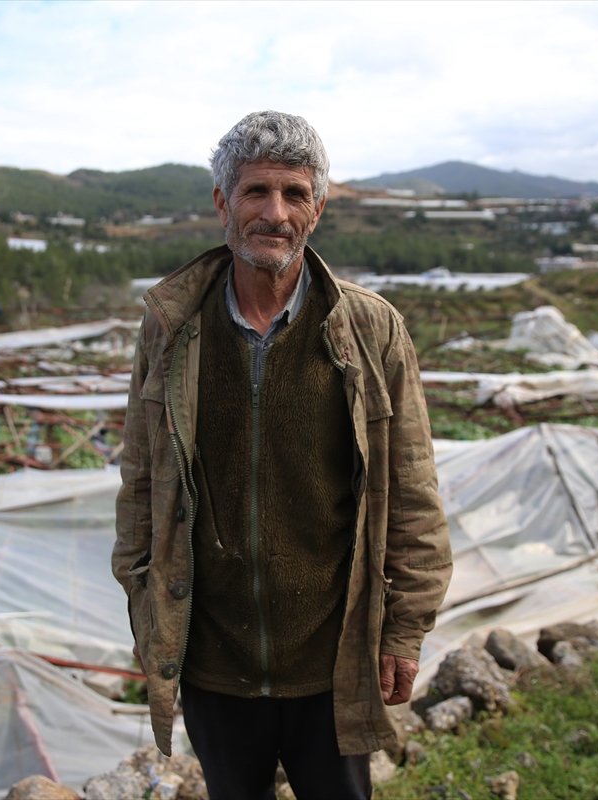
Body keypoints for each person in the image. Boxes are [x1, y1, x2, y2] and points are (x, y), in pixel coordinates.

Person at [113, 110, 451, 800]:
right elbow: (141, 481)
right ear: (222, 203)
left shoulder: (370, 329)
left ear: (318, 209)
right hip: (212, 659)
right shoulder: (173, 327)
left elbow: (412, 490)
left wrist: (406, 628)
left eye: (295, 194)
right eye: (256, 191)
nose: (275, 212)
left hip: (331, 660)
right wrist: (148, 611)